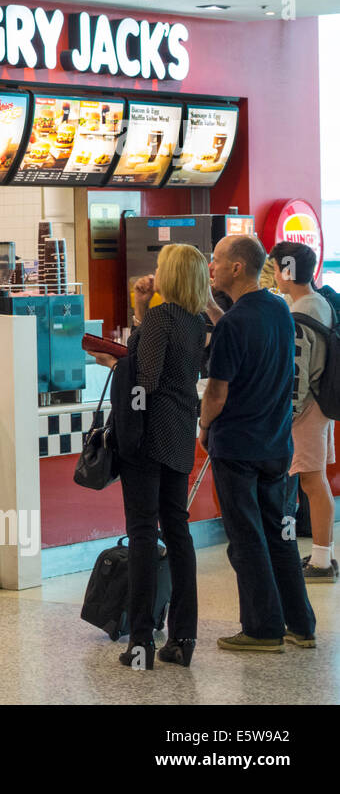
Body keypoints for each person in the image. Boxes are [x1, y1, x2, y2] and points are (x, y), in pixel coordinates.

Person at [202, 235, 316, 651]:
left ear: (236, 267)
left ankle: (262, 628)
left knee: (247, 537)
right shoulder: (279, 310)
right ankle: (300, 624)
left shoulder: (233, 324)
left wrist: (202, 426)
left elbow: (217, 392)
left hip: (237, 447)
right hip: (275, 443)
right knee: (280, 536)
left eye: (216, 260)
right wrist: (213, 309)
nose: (211, 267)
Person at [95, 244, 206, 668]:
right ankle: (183, 636)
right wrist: (141, 308)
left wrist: (114, 365)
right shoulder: (194, 322)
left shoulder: (163, 318)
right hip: (180, 435)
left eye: (160, 267)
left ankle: (140, 641)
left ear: (172, 275)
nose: (153, 272)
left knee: (142, 533)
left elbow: (146, 379)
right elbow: (164, 360)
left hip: (147, 439)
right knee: (177, 531)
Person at [268, 240, 337, 582]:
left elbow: (297, 373)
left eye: (277, 267)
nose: (275, 274)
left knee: (311, 481)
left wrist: (288, 416)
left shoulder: (300, 313)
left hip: (306, 409)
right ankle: (322, 554)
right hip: (322, 404)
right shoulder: (320, 302)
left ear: (289, 270)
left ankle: (322, 562)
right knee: (315, 480)